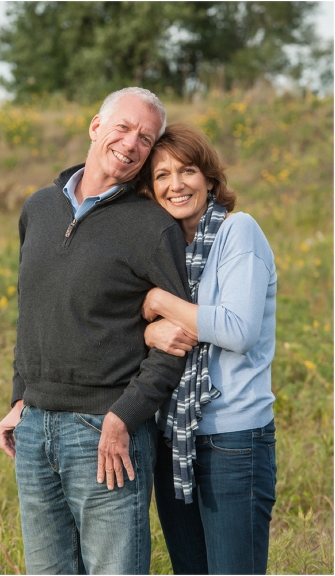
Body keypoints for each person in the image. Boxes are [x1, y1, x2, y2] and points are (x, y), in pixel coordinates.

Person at [0, 87, 191, 575]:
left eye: (147, 138)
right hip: (36, 429)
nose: (131, 143)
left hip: (107, 432)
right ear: (95, 126)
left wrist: (125, 415)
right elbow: (32, 312)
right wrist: (22, 398)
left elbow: (178, 336)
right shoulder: (38, 208)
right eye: (123, 127)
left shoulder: (153, 226)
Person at [137, 123, 277, 575]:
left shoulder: (239, 232)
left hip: (233, 440)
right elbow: (127, 327)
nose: (175, 185)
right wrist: (147, 332)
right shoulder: (165, 249)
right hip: (173, 437)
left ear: (210, 179)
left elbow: (236, 329)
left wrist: (159, 304)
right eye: (162, 175)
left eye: (188, 171)